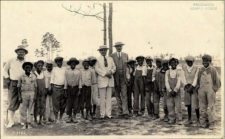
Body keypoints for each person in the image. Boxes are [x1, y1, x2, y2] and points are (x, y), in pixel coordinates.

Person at [3, 40, 28, 128]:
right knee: (12, 102)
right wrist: (7, 78)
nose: (21, 53)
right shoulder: (11, 60)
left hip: (23, 84)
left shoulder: (26, 62)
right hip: (13, 83)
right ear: (16, 52)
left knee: (23, 102)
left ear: (25, 53)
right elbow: (4, 70)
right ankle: (11, 121)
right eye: (19, 51)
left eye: (23, 52)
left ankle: (22, 120)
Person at [197, 54, 221, 129]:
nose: (205, 62)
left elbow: (218, 82)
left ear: (210, 61)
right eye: (203, 61)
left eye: (207, 61)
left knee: (211, 106)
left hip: (210, 90)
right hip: (202, 90)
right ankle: (203, 122)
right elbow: (198, 80)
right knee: (202, 106)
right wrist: (198, 88)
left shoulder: (213, 70)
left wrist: (214, 89)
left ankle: (212, 123)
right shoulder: (200, 70)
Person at [95, 45, 116, 119]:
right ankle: (102, 114)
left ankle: (109, 114)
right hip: (102, 80)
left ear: (106, 51)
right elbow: (97, 69)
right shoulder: (97, 60)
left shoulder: (110, 59)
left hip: (110, 80)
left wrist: (111, 72)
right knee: (102, 98)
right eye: (102, 50)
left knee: (109, 98)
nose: (103, 51)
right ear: (100, 51)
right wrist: (105, 74)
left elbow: (114, 67)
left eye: (105, 50)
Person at [111, 42, 129, 118]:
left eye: (120, 46)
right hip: (116, 78)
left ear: (122, 47)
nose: (119, 48)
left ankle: (125, 112)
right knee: (117, 95)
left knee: (124, 95)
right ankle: (120, 112)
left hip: (123, 78)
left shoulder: (125, 55)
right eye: (117, 46)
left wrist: (128, 77)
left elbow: (127, 67)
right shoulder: (112, 56)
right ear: (115, 47)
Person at [17, 62, 37, 129]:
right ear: (24, 68)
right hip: (24, 94)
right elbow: (18, 87)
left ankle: (29, 123)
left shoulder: (34, 76)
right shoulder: (21, 76)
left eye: (29, 67)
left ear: (31, 68)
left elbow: (36, 87)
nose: (28, 69)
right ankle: (24, 123)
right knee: (23, 109)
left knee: (31, 109)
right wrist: (19, 96)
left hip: (32, 93)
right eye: (26, 67)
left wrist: (35, 96)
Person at [182, 56, 200, 126]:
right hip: (187, 88)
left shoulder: (196, 68)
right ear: (186, 62)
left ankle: (198, 119)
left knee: (195, 104)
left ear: (193, 62)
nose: (189, 63)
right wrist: (186, 85)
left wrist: (192, 87)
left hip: (194, 88)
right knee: (188, 104)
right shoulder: (184, 68)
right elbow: (182, 77)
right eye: (188, 61)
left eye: (191, 61)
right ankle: (189, 119)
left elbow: (196, 78)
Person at [165, 57, 182, 125]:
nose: (173, 64)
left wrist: (175, 90)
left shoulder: (179, 72)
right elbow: (166, 81)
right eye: (172, 63)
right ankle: (171, 118)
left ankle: (179, 119)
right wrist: (169, 90)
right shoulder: (167, 72)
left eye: (174, 63)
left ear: (176, 63)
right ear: (170, 64)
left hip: (176, 91)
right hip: (169, 91)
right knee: (170, 105)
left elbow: (179, 81)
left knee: (178, 105)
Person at [64, 57, 81, 123]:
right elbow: (65, 80)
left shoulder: (78, 71)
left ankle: (74, 117)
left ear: (76, 64)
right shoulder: (67, 71)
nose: (73, 64)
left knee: (75, 103)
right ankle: (69, 117)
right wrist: (65, 90)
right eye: (72, 63)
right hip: (69, 88)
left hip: (76, 88)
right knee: (69, 103)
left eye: (74, 63)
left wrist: (79, 90)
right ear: (70, 64)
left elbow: (80, 81)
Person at [51, 56, 67, 123]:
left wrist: (65, 88)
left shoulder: (65, 69)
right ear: (56, 62)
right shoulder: (54, 69)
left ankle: (60, 118)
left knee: (63, 104)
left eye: (60, 61)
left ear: (62, 62)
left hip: (63, 88)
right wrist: (52, 88)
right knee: (56, 104)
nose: (59, 63)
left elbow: (66, 79)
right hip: (56, 88)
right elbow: (52, 79)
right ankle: (56, 118)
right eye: (58, 62)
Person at [33, 60, 46, 125]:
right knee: (36, 106)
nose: (40, 67)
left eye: (41, 66)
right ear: (36, 66)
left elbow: (45, 82)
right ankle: (35, 119)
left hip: (42, 92)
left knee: (42, 106)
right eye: (39, 66)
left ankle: (40, 120)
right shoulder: (34, 73)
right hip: (36, 92)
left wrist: (45, 90)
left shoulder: (43, 73)